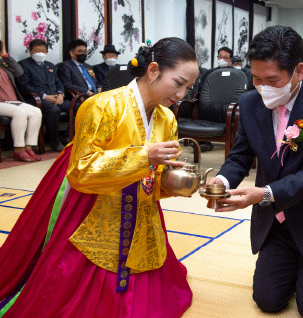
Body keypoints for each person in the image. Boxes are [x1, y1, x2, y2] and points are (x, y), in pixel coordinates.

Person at [0, 37, 199, 317]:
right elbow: (81, 171)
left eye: (189, 88)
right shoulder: (101, 106)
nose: (182, 94)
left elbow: (156, 176)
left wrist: (178, 179)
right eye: (179, 83)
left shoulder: (167, 118)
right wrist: (144, 157)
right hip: (94, 205)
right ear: (153, 70)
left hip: (140, 209)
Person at [207, 25, 303, 318]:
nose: (263, 87)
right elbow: (240, 155)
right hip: (278, 223)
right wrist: (223, 179)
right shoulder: (250, 101)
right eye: (255, 78)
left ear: (299, 71)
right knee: (267, 301)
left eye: (272, 79)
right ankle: (293, 261)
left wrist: (263, 194)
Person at [18, 39, 70, 152]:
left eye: (43, 50)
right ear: (30, 51)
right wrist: (45, 96)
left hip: (56, 98)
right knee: (54, 110)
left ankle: (66, 136)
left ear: (46, 52)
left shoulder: (50, 65)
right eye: (37, 50)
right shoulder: (23, 65)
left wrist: (61, 94)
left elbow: (58, 82)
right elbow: (24, 85)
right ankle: (54, 142)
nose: (40, 53)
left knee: (80, 107)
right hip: (36, 99)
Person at [0, 40, 42, 162]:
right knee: (19, 112)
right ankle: (19, 149)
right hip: (1, 103)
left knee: (36, 112)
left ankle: (29, 147)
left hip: (11, 101)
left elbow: (19, 72)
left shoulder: (3, 63)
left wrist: (5, 55)